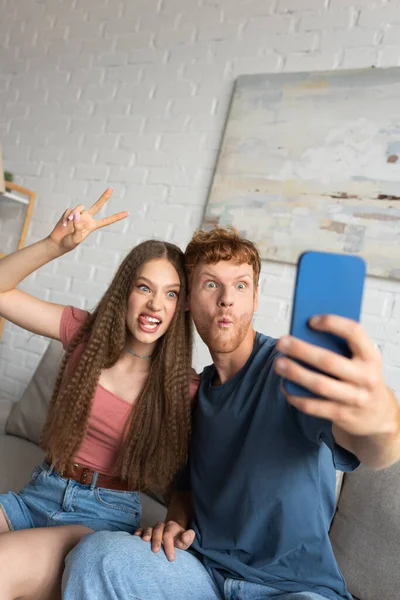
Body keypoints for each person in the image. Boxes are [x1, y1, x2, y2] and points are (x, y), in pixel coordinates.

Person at [62, 227, 400, 600]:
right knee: (97, 556)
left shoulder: (288, 372)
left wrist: (382, 420)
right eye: (210, 285)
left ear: (255, 298)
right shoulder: (191, 393)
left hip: (291, 589)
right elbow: (185, 486)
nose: (226, 300)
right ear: (187, 299)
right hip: (203, 576)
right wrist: (175, 520)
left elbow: (372, 447)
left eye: (240, 286)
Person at [0, 188, 197, 600]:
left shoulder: (186, 389)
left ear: (181, 307)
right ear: (125, 292)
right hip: (39, 492)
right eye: (144, 287)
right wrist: (55, 245)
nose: (155, 304)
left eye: (171, 293)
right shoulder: (83, 335)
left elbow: (188, 479)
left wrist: (175, 520)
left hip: (100, 517)